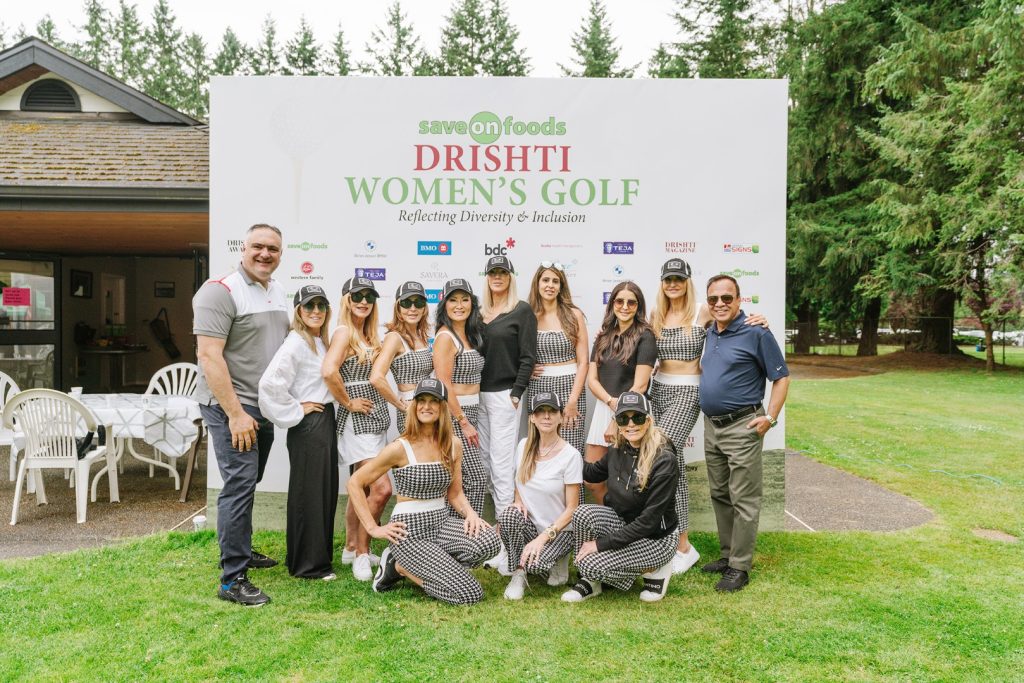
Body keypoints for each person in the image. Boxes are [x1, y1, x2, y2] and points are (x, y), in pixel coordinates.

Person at [650, 258, 769, 575]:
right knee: (669, 463)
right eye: (668, 279)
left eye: (679, 279)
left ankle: (683, 546)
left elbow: (733, 320)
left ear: (687, 281)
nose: (673, 284)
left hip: (688, 392)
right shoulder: (656, 314)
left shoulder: (703, 310)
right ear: (662, 283)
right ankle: (672, 539)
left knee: (664, 454)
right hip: (658, 391)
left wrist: (760, 320)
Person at [194, 223, 290, 607]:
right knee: (239, 484)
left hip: (262, 406)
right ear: (243, 248)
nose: (265, 254)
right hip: (232, 406)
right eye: (258, 247)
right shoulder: (220, 291)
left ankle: (243, 550)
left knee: (249, 481)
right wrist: (235, 414)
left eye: (273, 249)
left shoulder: (277, 290)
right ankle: (232, 579)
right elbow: (209, 356)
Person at [348, 378, 501, 605]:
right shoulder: (400, 447)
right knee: (470, 594)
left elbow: (455, 494)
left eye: (433, 401)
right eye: (421, 401)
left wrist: (471, 514)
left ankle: (432, 564)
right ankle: (399, 567)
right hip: (409, 531)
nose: (426, 406)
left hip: (441, 522)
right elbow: (355, 483)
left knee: (489, 542)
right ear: (414, 405)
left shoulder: (453, 444)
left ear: (442, 407)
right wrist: (373, 528)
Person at [699, 274, 790, 592]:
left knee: (744, 498)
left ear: (739, 300)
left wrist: (770, 418)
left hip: (743, 425)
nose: (720, 304)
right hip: (712, 426)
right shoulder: (709, 331)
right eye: (713, 299)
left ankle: (739, 567)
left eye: (727, 298)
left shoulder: (756, 331)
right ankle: (728, 555)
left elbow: (782, 377)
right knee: (720, 493)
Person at [562, 391, 679, 603]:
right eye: (624, 418)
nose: (631, 424)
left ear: (648, 420)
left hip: (656, 538)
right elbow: (591, 473)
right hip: (623, 523)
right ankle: (591, 582)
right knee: (582, 513)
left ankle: (656, 567)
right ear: (617, 422)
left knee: (590, 564)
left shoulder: (664, 460)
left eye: (638, 417)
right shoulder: (618, 449)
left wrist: (600, 545)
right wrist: (563, 451)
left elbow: (648, 522)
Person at [258, 285, 338, 581]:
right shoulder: (295, 343)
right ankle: (308, 566)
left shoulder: (319, 341)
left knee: (322, 491)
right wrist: (297, 409)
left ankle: (312, 558)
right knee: (309, 493)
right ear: (298, 311)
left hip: (324, 420)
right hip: (310, 426)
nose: (316, 311)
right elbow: (269, 386)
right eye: (309, 306)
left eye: (321, 305)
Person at [323, 276, 392, 582]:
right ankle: (362, 553)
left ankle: (352, 546)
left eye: (369, 297)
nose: (364, 301)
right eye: (357, 296)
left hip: (375, 419)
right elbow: (329, 371)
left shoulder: (369, 334)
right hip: (358, 422)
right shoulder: (343, 332)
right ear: (346, 300)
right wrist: (348, 402)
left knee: (361, 488)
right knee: (381, 488)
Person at [498, 391, 582, 600]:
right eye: (540, 411)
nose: (546, 416)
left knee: (537, 566)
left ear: (560, 417)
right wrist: (518, 501)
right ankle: (518, 573)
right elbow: (519, 481)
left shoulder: (571, 455)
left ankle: (557, 560)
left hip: (559, 531)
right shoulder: (523, 446)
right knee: (509, 515)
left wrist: (544, 537)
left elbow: (572, 508)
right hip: (531, 526)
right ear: (532, 418)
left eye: (552, 411)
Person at [584, 280, 657, 504]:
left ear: (638, 306)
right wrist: (609, 401)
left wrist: (619, 417)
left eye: (631, 302)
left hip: (631, 413)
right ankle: (611, 520)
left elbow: (641, 385)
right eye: (619, 301)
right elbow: (592, 380)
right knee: (592, 480)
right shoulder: (603, 336)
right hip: (605, 407)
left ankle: (628, 523)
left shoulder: (646, 335)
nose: (625, 307)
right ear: (612, 304)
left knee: (627, 481)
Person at [478, 255, 537, 519]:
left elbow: (528, 356)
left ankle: (505, 529)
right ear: (487, 278)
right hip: (477, 396)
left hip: (505, 396)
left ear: (510, 278)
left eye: (503, 273)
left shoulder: (521, 310)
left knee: (501, 463)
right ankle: (489, 523)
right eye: (493, 273)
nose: (497, 277)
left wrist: (516, 393)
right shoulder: (478, 313)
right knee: (483, 460)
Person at [432, 278, 488, 517]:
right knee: (475, 477)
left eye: (464, 300)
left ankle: (463, 530)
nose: (459, 305)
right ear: (444, 305)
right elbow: (444, 383)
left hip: (470, 412)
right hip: (455, 415)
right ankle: (467, 528)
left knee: (461, 477)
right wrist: (463, 421)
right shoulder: (445, 337)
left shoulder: (470, 334)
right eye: (453, 300)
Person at [526, 261, 588, 472]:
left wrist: (572, 401)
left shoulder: (573, 314)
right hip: (538, 388)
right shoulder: (528, 315)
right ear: (537, 284)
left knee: (571, 449)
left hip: (570, 388)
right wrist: (525, 369)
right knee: (540, 449)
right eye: (545, 280)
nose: (550, 285)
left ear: (561, 286)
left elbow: (583, 362)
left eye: (555, 281)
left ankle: (574, 494)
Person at [370, 281, 433, 435]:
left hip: (429, 406)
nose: (413, 308)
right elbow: (376, 377)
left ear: (424, 308)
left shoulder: (422, 337)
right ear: (398, 308)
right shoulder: (394, 337)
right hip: (411, 408)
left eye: (418, 302)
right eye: (406, 303)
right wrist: (400, 405)